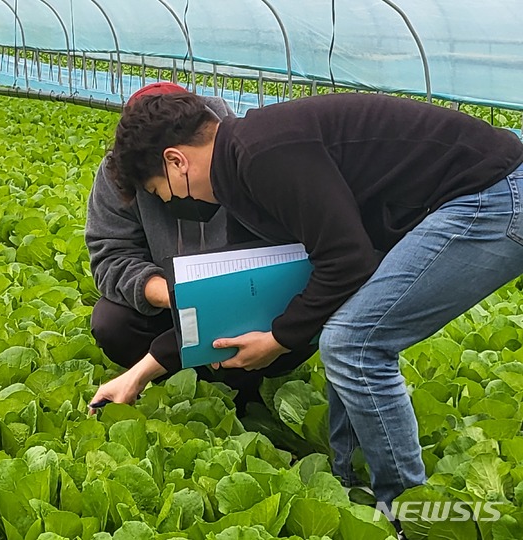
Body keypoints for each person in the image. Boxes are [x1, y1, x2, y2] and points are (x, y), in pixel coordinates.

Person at [103, 91, 523, 506]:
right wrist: (139, 373)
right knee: (345, 326)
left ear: (176, 162)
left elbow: (347, 260)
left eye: (164, 194)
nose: (178, 203)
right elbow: (232, 292)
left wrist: (280, 338)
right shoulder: (241, 172)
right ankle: (348, 479)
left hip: (491, 195)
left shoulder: (264, 154)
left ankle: (406, 513)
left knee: (352, 342)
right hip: (466, 198)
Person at [85, 82, 315, 412]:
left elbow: (315, 260)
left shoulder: (242, 157)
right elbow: (112, 255)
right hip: (171, 310)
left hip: (247, 302)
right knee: (113, 322)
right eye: (154, 191)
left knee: (299, 319)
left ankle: (244, 380)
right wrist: (173, 295)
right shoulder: (122, 172)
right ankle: (177, 375)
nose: (166, 197)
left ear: (178, 159)